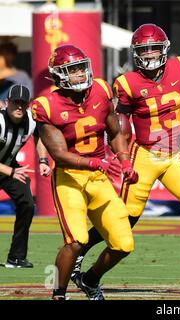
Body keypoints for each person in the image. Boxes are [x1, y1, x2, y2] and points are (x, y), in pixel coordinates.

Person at [71, 23, 180, 290]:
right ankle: (80, 250)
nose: (151, 54)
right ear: (136, 53)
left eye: (155, 49)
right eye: (145, 50)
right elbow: (119, 125)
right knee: (126, 219)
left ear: (164, 49)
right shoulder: (127, 83)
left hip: (175, 155)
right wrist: (122, 158)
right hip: (145, 153)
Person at [31, 44, 138, 300]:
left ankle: (90, 279)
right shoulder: (46, 105)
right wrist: (95, 163)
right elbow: (59, 154)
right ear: (58, 75)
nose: (80, 74)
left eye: (81, 68)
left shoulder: (100, 90)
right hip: (70, 178)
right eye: (72, 69)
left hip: (98, 176)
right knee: (76, 241)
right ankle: (57, 293)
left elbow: (114, 133)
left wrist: (125, 161)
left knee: (124, 244)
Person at [0, 84, 51, 268]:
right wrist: (11, 172)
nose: (19, 107)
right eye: (15, 103)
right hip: (8, 169)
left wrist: (43, 161)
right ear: (7, 103)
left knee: (27, 204)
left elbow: (39, 137)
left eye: (23, 103)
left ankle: (16, 257)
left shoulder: (31, 120)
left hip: (9, 167)